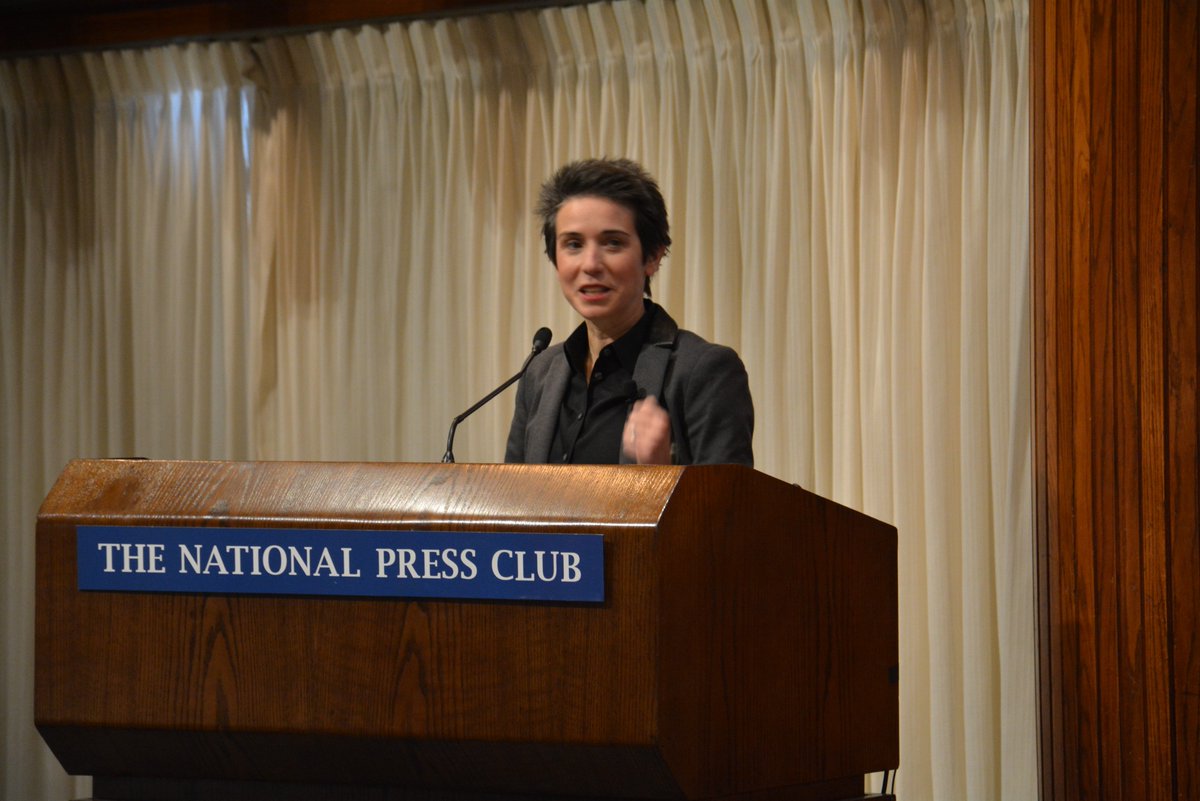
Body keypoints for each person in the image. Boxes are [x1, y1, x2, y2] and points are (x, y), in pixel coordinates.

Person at [504, 157, 754, 466]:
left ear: (652, 257)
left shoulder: (704, 372)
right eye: (573, 244)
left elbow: (729, 499)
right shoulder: (539, 374)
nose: (590, 264)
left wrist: (660, 475)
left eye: (612, 243)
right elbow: (512, 494)